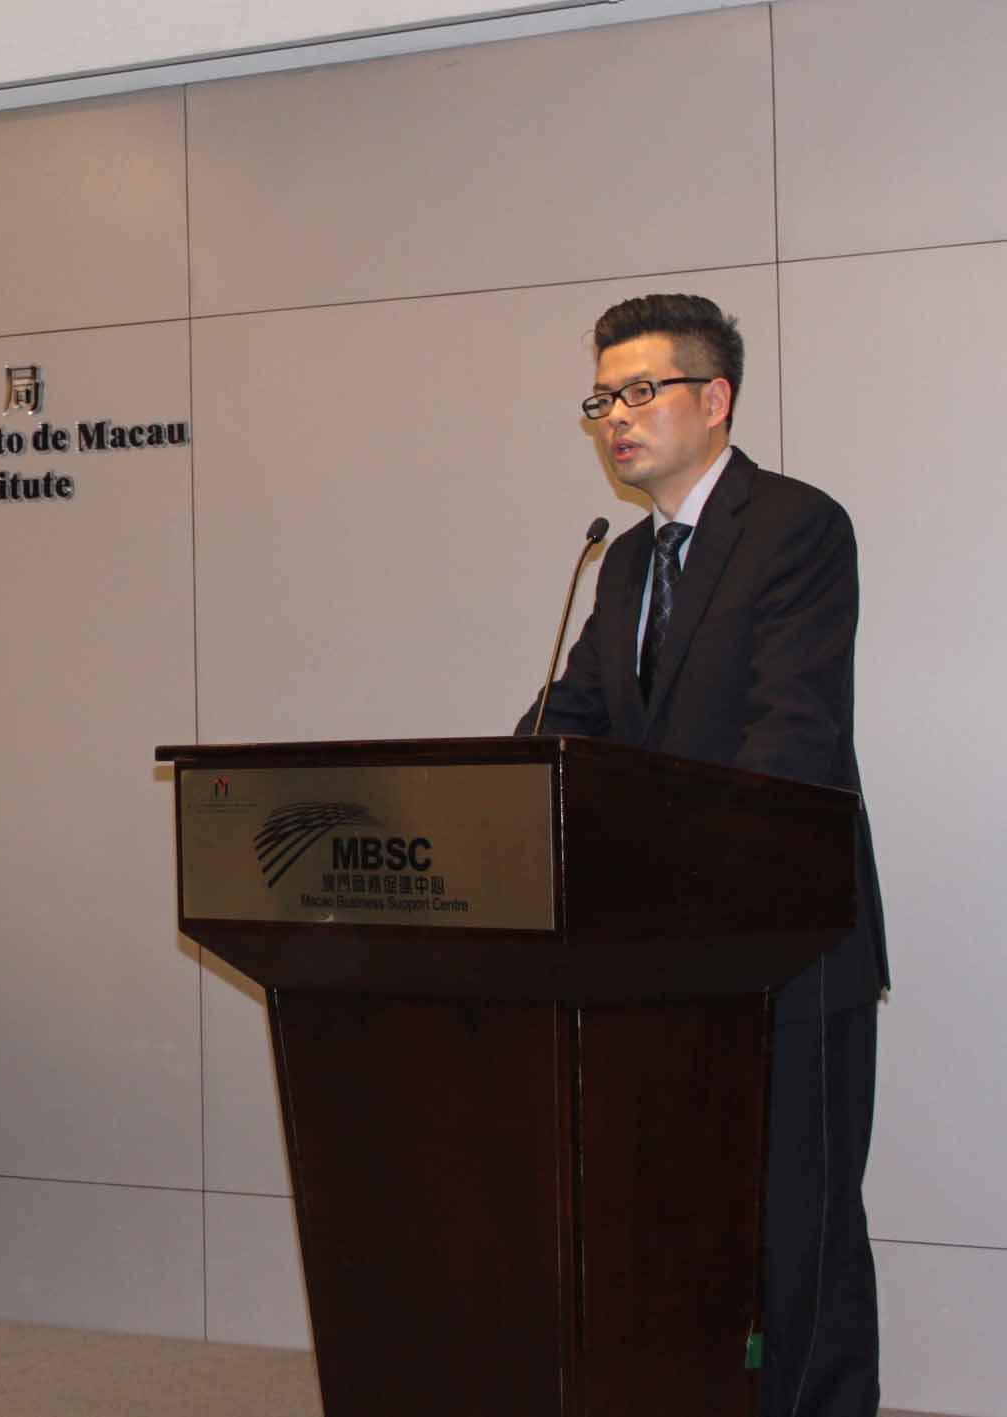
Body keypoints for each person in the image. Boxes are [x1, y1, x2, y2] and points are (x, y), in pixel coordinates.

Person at [520, 293, 886, 1416]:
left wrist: (676, 861)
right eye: (601, 400)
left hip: (788, 932)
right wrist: (504, 783)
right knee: (685, 1218)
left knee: (798, 1219)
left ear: (714, 398)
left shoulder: (796, 526)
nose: (615, 418)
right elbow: (576, 715)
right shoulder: (627, 562)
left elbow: (794, 733)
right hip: (664, 951)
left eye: (640, 391)